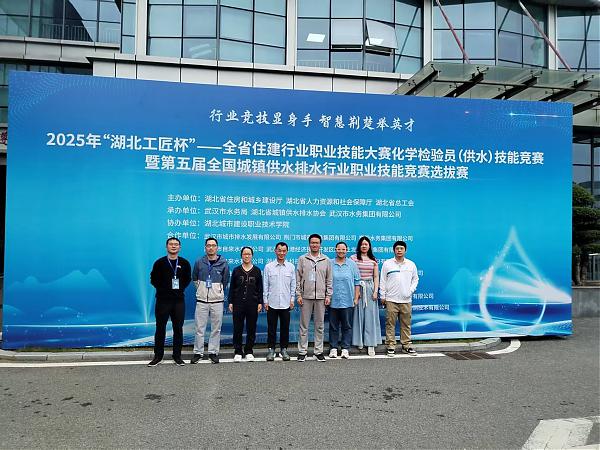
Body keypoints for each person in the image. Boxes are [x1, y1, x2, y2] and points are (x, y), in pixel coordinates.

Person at [148, 237, 192, 367]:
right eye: (171, 244)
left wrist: (179, 289)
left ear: (180, 247)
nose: (173, 246)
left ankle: (177, 356)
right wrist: (164, 289)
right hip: (162, 300)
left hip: (178, 301)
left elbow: (187, 279)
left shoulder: (184, 263)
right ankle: (158, 356)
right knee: (160, 328)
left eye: (176, 244)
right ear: (166, 247)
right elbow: (153, 279)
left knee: (178, 329)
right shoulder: (159, 263)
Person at [190, 237, 230, 364]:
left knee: (216, 329)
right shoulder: (199, 262)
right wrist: (201, 290)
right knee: (199, 328)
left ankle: (213, 352)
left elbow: (225, 280)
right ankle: (198, 352)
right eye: (208, 245)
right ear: (205, 247)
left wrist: (216, 290)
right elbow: (195, 278)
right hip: (201, 301)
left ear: (217, 248)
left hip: (217, 301)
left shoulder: (223, 263)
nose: (211, 248)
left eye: (213, 245)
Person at [296, 233, 333, 362]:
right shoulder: (302, 259)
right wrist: (298, 295)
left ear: (320, 244)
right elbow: (298, 278)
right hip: (306, 297)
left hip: (321, 297)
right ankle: (302, 351)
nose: (314, 245)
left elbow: (329, 279)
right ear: (309, 244)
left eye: (317, 243)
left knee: (319, 326)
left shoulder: (326, 260)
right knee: (304, 325)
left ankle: (318, 351)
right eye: (312, 242)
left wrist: (328, 295)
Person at [379, 240, 419, 356]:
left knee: (406, 324)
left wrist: (410, 291)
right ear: (394, 250)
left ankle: (406, 345)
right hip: (391, 299)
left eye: (401, 248)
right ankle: (391, 346)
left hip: (406, 300)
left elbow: (415, 279)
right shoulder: (387, 264)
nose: (399, 250)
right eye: (397, 249)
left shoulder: (411, 264)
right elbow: (383, 280)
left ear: (405, 250)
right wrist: (382, 295)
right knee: (390, 323)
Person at [228, 246, 263, 362]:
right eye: (244, 254)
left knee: (251, 328)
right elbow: (232, 287)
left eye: (249, 254)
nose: (246, 256)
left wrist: (260, 302)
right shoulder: (236, 270)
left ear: (252, 256)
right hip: (238, 303)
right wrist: (230, 301)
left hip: (252, 303)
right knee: (237, 328)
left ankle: (249, 351)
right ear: (241, 256)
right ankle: (238, 351)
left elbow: (260, 288)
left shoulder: (257, 271)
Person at [263, 242, 296, 362]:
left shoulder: (291, 267)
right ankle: (271, 349)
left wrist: (292, 299)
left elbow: (293, 285)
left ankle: (284, 349)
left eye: (284, 251)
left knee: (284, 328)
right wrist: (265, 301)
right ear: (275, 251)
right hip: (272, 302)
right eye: (279, 250)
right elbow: (265, 285)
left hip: (286, 303)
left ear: (286, 252)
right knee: (271, 328)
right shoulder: (269, 267)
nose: (281, 253)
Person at [351, 236, 382, 357]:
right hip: (357, 287)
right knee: (358, 315)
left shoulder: (373, 260)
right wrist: (355, 291)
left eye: (366, 244)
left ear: (369, 246)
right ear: (359, 246)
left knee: (370, 316)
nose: (364, 246)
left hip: (370, 288)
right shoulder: (353, 258)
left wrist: (375, 291)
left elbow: (376, 277)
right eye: (362, 244)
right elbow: (351, 275)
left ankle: (370, 344)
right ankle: (359, 341)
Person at [329, 242, 361, 359]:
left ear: (346, 250)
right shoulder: (330, 263)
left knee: (347, 326)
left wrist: (356, 298)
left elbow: (357, 282)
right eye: (339, 249)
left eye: (343, 249)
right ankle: (333, 348)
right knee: (333, 326)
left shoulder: (352, 264)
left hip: (348, 300)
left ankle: (345, 348)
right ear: (335, 250)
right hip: (333, 300)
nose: (341, 251)